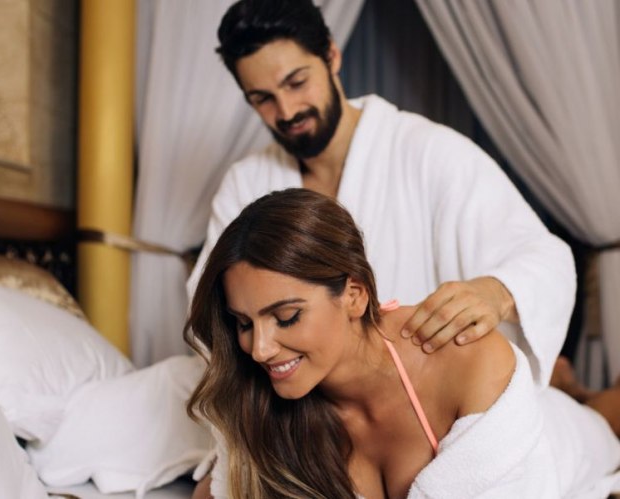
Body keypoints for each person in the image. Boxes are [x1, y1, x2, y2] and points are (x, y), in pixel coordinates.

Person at [186, 0, 576, 390]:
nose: (286, 111)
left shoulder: (430, 152)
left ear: (332, 56)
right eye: (263, 99)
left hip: (422, 392)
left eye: (296, 82)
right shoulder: (245, 183)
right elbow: (210, 311)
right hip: (289, 400)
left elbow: (545, 258)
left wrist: (496, 292)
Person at [186, 188, 620, 499]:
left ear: (355, 296)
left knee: (602, 421)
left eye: (286, 318)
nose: (260, 349)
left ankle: (572, 391)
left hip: (561, 443)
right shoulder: (260, 401)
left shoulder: (465, 357)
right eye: (243, 323)